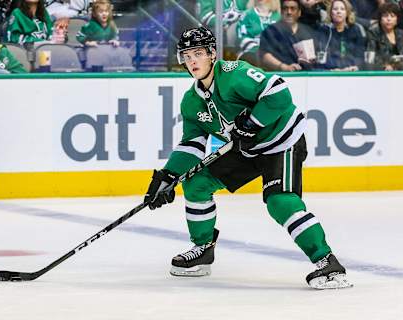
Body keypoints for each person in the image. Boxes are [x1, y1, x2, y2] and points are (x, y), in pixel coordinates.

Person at [144, 26, 352, 290]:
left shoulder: (234, 74)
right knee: (196, 185)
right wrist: (168, 176)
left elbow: (278, 93)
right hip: (245, 148)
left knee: (280, 202)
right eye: (186, 55)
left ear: (212, 54)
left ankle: (327, 262)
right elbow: (192, 145)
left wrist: (252, 123)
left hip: (281, 140)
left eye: (198, 53)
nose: (192, 60)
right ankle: (203, 248)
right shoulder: (191, 102)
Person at [259, 0, 318, 71]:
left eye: (293, 8)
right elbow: (265, 56)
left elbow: (316, 55)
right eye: (285, 8)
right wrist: (284, 67)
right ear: (281, 11)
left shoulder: (308, 32)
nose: (289, 12)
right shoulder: (271, 31)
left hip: (306, 76)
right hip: (280, 75)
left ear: (299, 13)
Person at [314, 0, 366, 71]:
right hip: (330, 72)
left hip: (351, 72)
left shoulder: (356, 29)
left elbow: (360, 55)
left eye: (342, 9)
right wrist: (333, 69)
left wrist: (355, 67)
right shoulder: (324, 30)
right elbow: (321, 54)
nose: (339, 12)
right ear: (330, 13)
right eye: (335, 9)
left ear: (347, 13)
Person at [236, 0, 280, 64]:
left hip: (275, 55)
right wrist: (260, 51)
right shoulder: (247, 14)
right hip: (250, 54)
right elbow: (241, 37)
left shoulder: (277, 16)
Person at [367, 2, 403, 70]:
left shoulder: (401, 34)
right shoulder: (373, 33)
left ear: (396, 20)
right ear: (380, 19)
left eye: (392, 16)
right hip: (381, 72)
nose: (389, 19)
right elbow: (371, 57)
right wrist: (384, 66)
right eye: (385, 16)